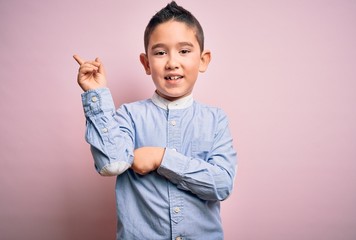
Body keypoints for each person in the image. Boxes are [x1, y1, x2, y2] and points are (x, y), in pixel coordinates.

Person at [73, 1, 237, 239]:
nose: (172, 62)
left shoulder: (215, 120)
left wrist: (162, 158)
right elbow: (112, 163)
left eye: (184, 51)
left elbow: (221, 184)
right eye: (160, 52)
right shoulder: (129, 116)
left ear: (203, 60)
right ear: (146, 63)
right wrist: (96, 95)